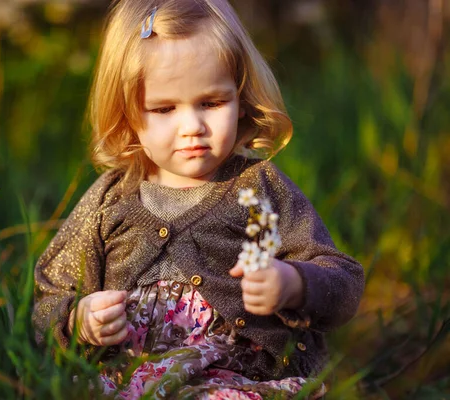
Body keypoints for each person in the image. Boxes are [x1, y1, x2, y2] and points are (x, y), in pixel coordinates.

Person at [32, 0, 364, 398]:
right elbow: (51, 292)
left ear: (241, 98)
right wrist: (79, 321)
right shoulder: (111, 199)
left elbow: (343, 280)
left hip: (237, 378)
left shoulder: (257, 189)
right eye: (164, 108)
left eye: (211, 102)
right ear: (127, 115)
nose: (192, 126)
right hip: (129, 379)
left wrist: (293, 284)